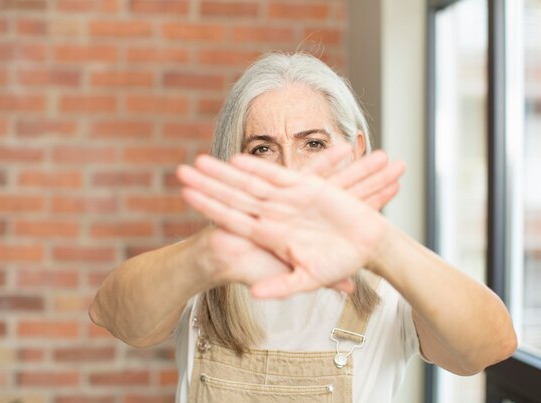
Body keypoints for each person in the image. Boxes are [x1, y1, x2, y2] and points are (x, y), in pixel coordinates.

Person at [89, 52, 517, 403]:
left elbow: (487, 347)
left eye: (313, 143)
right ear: (235, 164)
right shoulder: (208, 261)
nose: (290, 170)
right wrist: (204, 256)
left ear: (355, 152)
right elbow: (111, 314)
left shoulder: (396, 281)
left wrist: (381, 244)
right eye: (263, 148)